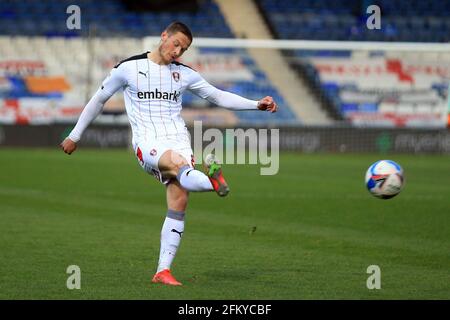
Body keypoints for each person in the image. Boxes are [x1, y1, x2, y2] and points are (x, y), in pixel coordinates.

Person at [60, 21, 278, 286]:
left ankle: (163, 271)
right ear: (164, 36)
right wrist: (75, 135)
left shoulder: (184, 74)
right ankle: (211, 182)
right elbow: (99, 100)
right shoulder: (129, 68)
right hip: (147, 142)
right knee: (177, 167)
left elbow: (218, 96)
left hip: (179, 141)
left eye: (183, 49)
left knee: (179, 200)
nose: (178, 52)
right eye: (176, 44)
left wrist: (257, 104)